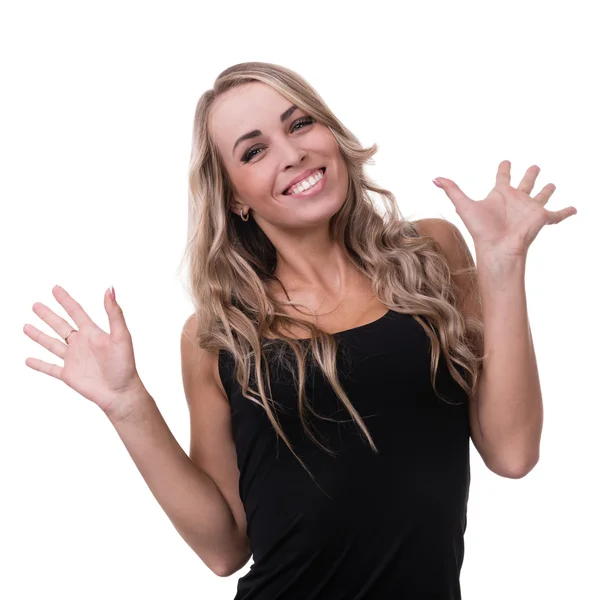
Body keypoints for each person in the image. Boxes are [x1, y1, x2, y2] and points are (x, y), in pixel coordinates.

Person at [25, 61, 572, 599]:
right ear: (234, 195)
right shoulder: (218, 336)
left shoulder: (430, 255)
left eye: (299, 123)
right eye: (254, 150)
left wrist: (502, 263)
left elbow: (512, 451)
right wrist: (127, 403)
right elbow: (224, 549)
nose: (292, 154)